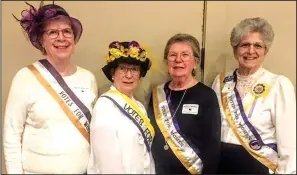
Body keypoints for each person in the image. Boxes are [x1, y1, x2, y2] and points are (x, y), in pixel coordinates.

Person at [3, 2, 98, 174]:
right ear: (41, 40)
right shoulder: (25, 77)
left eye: (67, 31)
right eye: (52, 32)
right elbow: (12, 134)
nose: (61, 38)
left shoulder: (88, 78)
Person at [212, 17, 296, 174]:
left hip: (259, 166)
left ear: (266, 50)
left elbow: (290, 144)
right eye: (245, 45)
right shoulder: (221, 81)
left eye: (258, 45)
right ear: (235, 49)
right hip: (223, 165)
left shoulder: (278, 84)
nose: (251, 51)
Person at [148, 33, 221, 174]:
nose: (178, 60)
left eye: (185, 55)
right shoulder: (157, 93)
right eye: (172, 55)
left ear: (195, 62)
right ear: (166, 61)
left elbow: (212, 146)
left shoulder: (206, 95)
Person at [87, 41, 155, 174]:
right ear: (113, 73)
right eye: (123, 68)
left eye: (134, 69)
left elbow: (146, 154)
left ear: (140, 76)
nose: (129, 75)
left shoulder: (140, 107)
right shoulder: (105, 106)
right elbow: (106, 162)